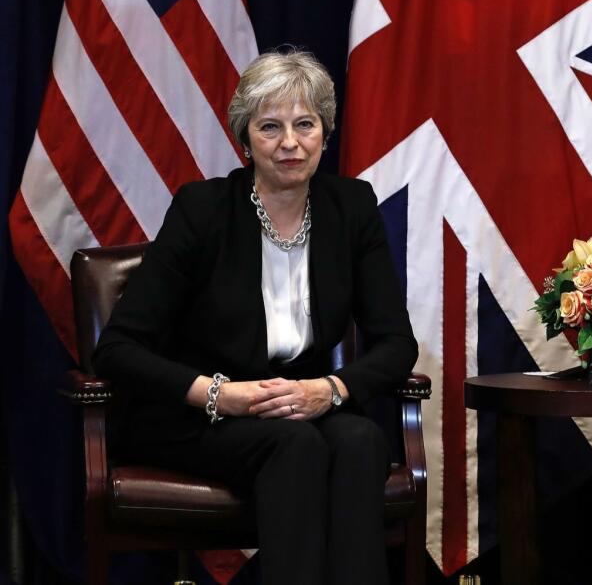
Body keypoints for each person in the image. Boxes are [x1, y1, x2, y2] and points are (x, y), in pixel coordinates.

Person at [93, 49, 418, 585]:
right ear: (244, 140)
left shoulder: (351, 207)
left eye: (304, 124)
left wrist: (331, 390)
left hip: (299, 406)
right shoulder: (203, 210)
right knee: (297, 445)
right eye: (270, 127)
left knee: (361, 440)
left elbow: (395, 342)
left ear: (324, 134)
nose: (290, 143)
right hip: (196, 417)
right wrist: (220, 394)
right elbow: (118, 349)